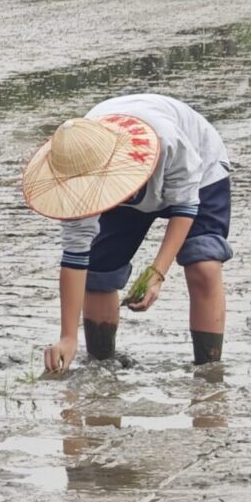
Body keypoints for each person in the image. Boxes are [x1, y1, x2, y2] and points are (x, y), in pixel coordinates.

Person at [20, 95, 233, 374]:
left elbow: (185, 206)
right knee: (99, 273)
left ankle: (209, 373)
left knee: (203, 264)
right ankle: (102, 367)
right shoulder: (77, 178)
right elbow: (75, 258)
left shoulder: (169, 141)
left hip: (199, 173)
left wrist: (156, 273)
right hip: (123, 183)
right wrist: (67, 337)